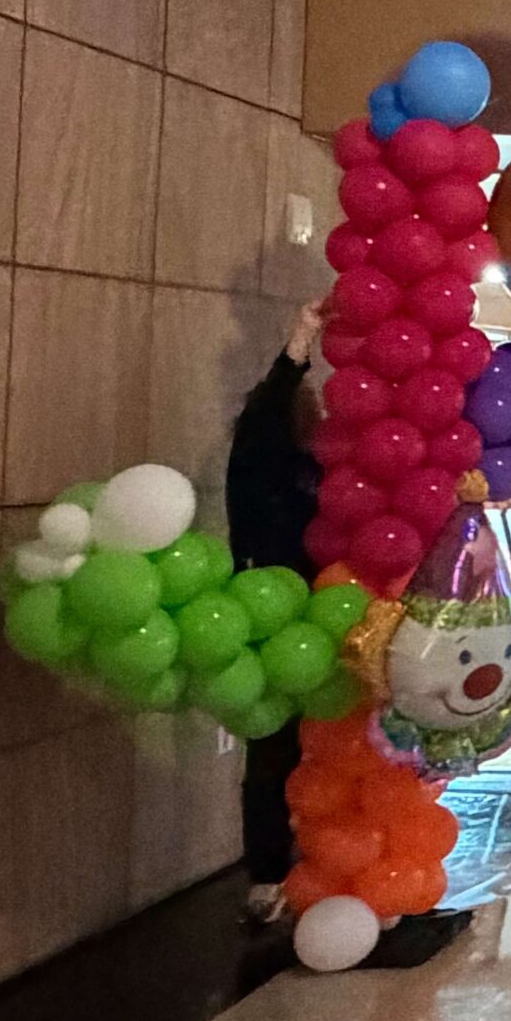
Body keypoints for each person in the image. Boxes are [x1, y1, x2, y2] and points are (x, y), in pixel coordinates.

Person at [229, 301, 323, 916]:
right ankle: (269, 872)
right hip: (275, 607)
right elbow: (268, 411)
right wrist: (298, 346)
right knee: (274, 745)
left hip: (318, 605)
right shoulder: (265, 458)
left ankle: (298, 863)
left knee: (299, 746)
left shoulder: (307, 467)